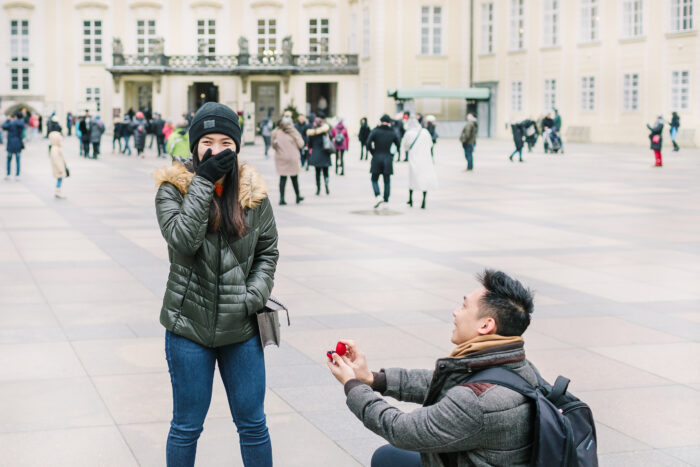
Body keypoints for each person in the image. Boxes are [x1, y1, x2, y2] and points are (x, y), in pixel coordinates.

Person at [153, 102, 278, 467]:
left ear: (238, 146)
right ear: (194, 146)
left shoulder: (253, 192)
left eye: (226, 141)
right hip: (188, 328)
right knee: (186, 426)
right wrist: (203, 181)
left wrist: (252, 296)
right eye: (207, 141)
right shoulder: (172, 189)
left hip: (242, 329)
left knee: (253, 425)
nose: (217, 150)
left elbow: (268, 251)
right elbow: (183, 241)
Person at [327, 269, 538, 467]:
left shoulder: (478, 403)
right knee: (387, 456)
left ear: (485, 325)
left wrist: (352, 386)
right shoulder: (518, 365)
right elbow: (441, 382)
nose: (455, 312)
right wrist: (372, 379)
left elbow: (401, 430)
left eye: (464, 306)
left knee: (388, 457)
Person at [402, 118, 437, 209]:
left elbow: (405, 147)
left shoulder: (408, 133)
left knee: (413, 179)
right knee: (424, 180)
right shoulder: (425, 132)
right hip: (425, 159)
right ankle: (424, 200)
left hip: (414, 159)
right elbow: (430, 145)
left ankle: (411, 200)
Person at [366, 115, 400, 208]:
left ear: (380, 121)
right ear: (389, 122)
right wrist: (392, 154)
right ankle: (386, 199)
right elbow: (398, 144)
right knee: (387, 181)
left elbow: (368, 143)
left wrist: (373, 152)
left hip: (377, 157)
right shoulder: (392, 132)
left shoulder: (375, 131)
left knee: (374, 179)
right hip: (387, 158)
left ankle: (378, 195)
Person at [272, 117, 305, 205]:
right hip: (292, 158)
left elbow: (273, 145)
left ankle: (282, 199)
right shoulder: (293, 131)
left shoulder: (276, 132)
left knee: (283, 178)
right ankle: (298, 196)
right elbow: (301, 144)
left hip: (281, 157)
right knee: (294, 178)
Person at [306, 116, 332, 196]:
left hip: (316, 154)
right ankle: (326, 185)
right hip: (325, 154)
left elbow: (309, 144)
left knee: (317, 173)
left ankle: (318, 189)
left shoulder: (312, 132)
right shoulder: (326, 131)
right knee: (325, 172)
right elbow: (331, 138)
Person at [3, 113, 25, 180]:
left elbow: (4, 126)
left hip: (11, 143)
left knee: (9, 159)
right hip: (18, 143)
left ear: (15, 116)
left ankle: (8, 174)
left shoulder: (12, 123)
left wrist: (8, 120)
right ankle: (17, 175)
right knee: (18, 160)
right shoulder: (21, 124)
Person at [48, 130, 68, 198]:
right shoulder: (55, 148)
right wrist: (60, 168)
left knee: (60, 180)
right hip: (59, 168)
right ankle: (58, 191)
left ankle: (58, 191)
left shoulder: (55, 147)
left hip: (60, 167)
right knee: (59, 180)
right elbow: (56, 160)